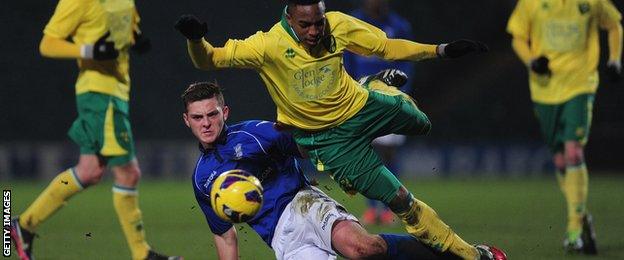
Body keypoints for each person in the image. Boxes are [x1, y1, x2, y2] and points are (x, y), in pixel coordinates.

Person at [175, 1, 506, 259]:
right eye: (306, 24)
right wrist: (195, 41)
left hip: (345, 132)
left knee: (421, 124)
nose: (315, 31)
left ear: (225, 112)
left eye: (318, 22)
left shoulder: (251, 134)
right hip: (288, 225)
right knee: (393, 211)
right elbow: (210, 59)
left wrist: (440, 50)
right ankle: (466, 255)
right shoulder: (266, 47)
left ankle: (375, 85)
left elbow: (386, 48)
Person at [183, 81, 449, 260]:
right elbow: (225, 236)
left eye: (212, 114)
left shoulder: (254, 134)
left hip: (305, 203)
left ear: (225, 112)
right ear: (187, 120)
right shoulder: (202, 179)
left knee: (365, 248)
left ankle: (451, 253)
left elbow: (306, 146)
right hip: (283, 240)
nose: (206, 123)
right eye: (197, 117)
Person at [9, 0, 181, 259]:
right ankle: (141, 253)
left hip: (117, 91)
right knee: (128, 172)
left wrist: (136, 38)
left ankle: (24, 226)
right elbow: (48, 43)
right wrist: (90, 51)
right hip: (99, 93)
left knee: (88, 171)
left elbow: (127, 22)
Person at [507, 0, 622, 255]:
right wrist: (531, 61)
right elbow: (517, 37)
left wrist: (615, 59)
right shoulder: (531, 3)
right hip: (544, 89)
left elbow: (614, 24)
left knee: (573, 153)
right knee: (560, 162)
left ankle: (573, 232)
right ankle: (582, 218)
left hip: (580, 85)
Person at [343, 0, 415, 226]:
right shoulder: (351, 23)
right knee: (365, 152)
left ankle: (390, 207)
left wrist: (402, 91)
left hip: (390, 98)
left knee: (389, 152)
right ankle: (372, 208)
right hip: (361, 97)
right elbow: (345, 61)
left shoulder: (399, 26)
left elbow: (407, 60)